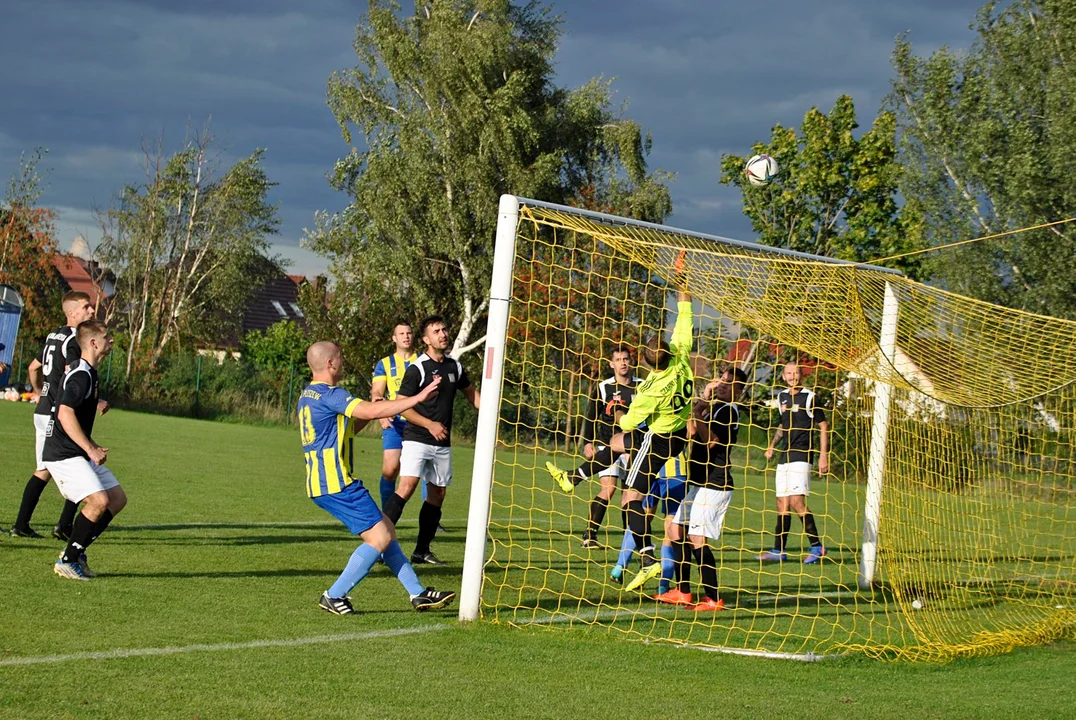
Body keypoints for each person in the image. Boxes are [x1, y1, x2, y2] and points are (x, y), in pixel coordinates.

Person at [548, 252, 694, 592]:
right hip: (677, 436)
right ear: (670, 352)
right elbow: (685, 310)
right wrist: (681, 277)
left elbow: (627, 423)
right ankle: (574, 477)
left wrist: (615, 409)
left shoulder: (650, 389)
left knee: (630, 497)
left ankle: (646, 559)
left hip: (658, 441)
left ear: (644, 361)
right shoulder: (683, 360)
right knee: (614, 446)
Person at [298, 341, 455, 615]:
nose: (343, 362)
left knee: (387, 534)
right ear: (331, 363)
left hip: (322, 482)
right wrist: (416, 399)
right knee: (379, 539)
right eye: (340, 358)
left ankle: (418, 594)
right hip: (338, 483)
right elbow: (369, 412)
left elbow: (347, 429)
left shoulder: (308, 395)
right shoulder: (330, 394)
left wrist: (374, 409)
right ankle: (334, 595)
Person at [383, 315, 480, 565]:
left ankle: (421, 550)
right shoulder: (418, 368)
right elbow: (402, 407)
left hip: (442, 442)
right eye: (436, 331)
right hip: (417, 438)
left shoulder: (454, 367)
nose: (443, 334)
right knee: (407, 487)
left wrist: (493, 412)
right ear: (426, 339)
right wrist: (429, 424)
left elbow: (472, 396)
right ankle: (379, 544)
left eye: (445, 328)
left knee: (437, 494)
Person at [10, 290, 106, 540]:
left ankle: (56, 524)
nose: (91, 311)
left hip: (46, 409)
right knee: (55, 466)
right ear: (72, 312)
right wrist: (91, 399)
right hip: (58, 414)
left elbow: (33, 367)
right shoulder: (73, 340)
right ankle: (44, 525)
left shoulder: (55, 335)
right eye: (86, 307)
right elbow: (74, 374)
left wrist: (39, 391)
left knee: (63, 464)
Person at [658, 367, 748, 611]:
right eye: (721, 380)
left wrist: (698, 411)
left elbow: (710, 441)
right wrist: (700, 405)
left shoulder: (728, 410)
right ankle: (684, 592)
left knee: (697, 538)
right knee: (675, 529)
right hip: (699, 482)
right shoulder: (714, 407)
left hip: (715, 484)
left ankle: (713, 598)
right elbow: (691, 431)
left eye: (729, 384)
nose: (721, 385)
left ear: (739, 391)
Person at [43, 321, 122, 580]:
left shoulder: (87, 371)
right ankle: (67, 560)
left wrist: (91, 443)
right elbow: (65, 413)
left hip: (74, 451)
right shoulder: (81, 374)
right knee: (98, 501)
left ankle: (77, 553)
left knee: (117, 498)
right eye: (106, 337)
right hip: (63, 453)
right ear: (92, 342)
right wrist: (90, 448)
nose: (111, 341)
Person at [758, 360, 829, 563]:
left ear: (801, 375)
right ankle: (778, 550)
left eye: (796, 373)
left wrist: (823, 455)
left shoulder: (810, 397)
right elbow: (784, 424)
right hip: (784, 456)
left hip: (802, 455)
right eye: (789, 373)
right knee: (782, 502)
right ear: (783, 376)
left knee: (797, 501)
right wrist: (772, 444)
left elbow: (823, 425)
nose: (792, 377)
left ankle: (817, 547)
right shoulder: (781, 397)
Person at [577, 344, 642, 548]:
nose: (623, 363)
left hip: (635, 445)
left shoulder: (642, 386)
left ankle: (627, 540)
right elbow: (591, 415)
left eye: (626, 359)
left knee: (629, 493)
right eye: (619, 359)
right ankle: (589, 534)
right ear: (611, 363)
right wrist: (588, 442)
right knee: (609, 488)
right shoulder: (604, 387)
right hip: (608, 446)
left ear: (631, 361)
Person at [609, 454, 686, 592]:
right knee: (671, 526)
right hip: (675, 471)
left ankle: (619, 566)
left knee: (640, 516)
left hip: (648, 468)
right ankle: (663, 584)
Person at [370, 321, 418, 510]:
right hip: (395, 423)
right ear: (394, 338)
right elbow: (377, 393)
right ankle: (386, 514)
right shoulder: (384, 364)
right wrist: (381, 413)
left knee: (425, 472)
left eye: (409, 333)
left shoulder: (423, 360)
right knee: (390, 470)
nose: (406, 336)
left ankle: (432, 521)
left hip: (419, 423)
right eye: (401, 334)